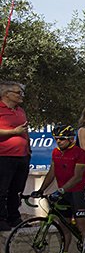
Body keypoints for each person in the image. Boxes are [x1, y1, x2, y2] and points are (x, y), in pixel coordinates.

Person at [32, 125, 85, 253]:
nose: (59, 142)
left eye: (62, 139)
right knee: (64, 226)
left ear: (71, 139)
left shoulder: (80, 153)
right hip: (63, 192)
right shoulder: (55, 152)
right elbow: (52, 172)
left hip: (77, 191)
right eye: (56, 139)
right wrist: (41, 190)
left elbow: (77, 177)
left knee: (82, 226)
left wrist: (62, 190)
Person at [0, 81, 30, 231]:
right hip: (4, 156)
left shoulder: (20, 111)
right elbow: (17, 131)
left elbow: (25, 130)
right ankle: (1, 218)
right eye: (18, 93)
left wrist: (28, 148)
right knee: (2, 189)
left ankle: (14, 217)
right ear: (6, 94)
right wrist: (13, 132)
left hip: (22, 156)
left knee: (17, 189)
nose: (21, 96)